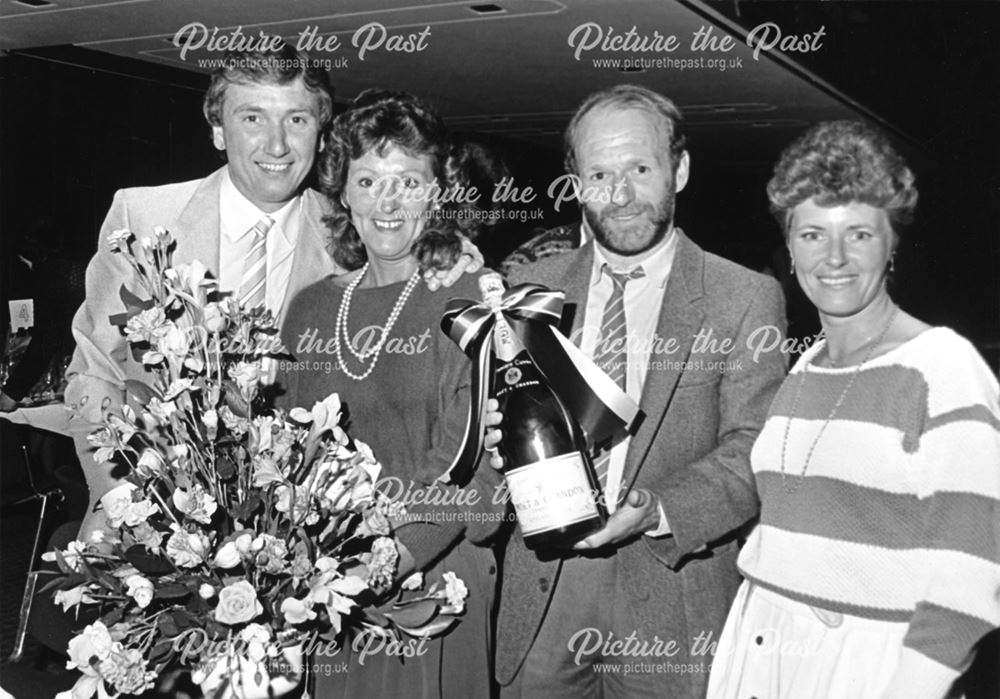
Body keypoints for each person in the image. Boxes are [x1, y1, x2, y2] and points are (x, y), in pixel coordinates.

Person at [63, 47, 480, 543]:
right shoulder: (143, 219)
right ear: (218, 129)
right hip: (155, 515)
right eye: (253, 117)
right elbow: (95, 374)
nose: (277, 144)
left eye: (297, 119)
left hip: (300, 534)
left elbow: (412, 260)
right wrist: (127, 500)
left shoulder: (354, 234)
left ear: (322, 135)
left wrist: (446, 251)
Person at [493, 84, 787, 698]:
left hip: (673, 602)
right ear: (574, 183)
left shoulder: (743, 297)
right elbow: (502, 423)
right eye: (599, 173)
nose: (620, 195)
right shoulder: (529, 288)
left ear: (678, 170)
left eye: (640, 169)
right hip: (545, 594)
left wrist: (657, 508)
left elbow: (756, 451)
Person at [705, 121, 1000, 698]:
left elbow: (972, 577)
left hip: (862, 665)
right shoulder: (805, 366)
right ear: (788, 248)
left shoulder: (942, 367)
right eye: (813, 234)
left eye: (859, 233)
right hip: (761, 646)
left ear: (891, 245)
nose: (834, 257)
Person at [279, 89, 505, 698]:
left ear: (438, 193)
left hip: (433, 579)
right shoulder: (310, 308)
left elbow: (479, 472)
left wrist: (382, 566)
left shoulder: (469, 299)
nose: (388, 201)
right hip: (324, 577)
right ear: (342, 192)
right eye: (369, 180)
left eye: (409, 181)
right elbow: (284, 449)